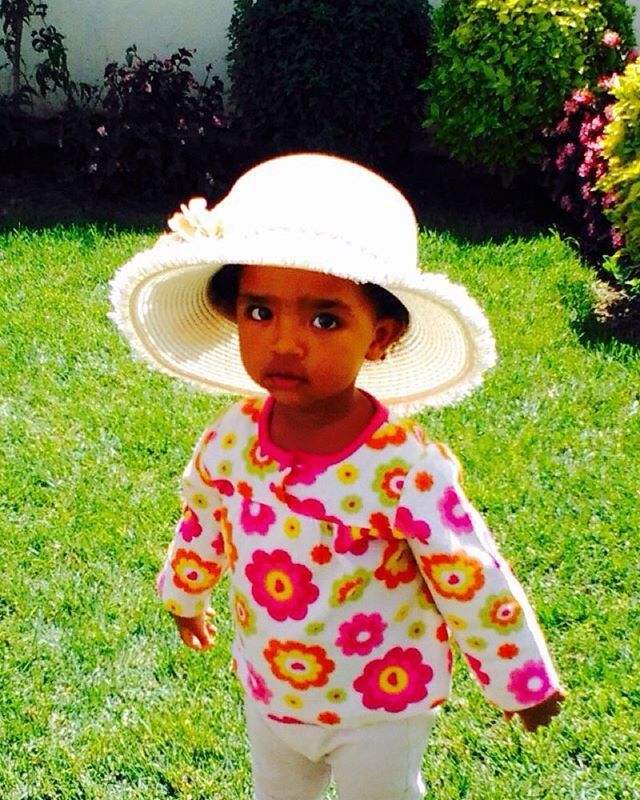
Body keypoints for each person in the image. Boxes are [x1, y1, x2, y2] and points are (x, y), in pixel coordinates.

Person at [109, 153, 564, 800]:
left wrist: (518, 676)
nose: (285, 342)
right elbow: (203, 517)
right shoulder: (232, 439)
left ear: (379, 336)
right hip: (273, 686)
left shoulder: (404, 467)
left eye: (324, 319)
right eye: (259, 312)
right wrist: (186, 593)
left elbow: (469, 570)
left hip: (382, 701)